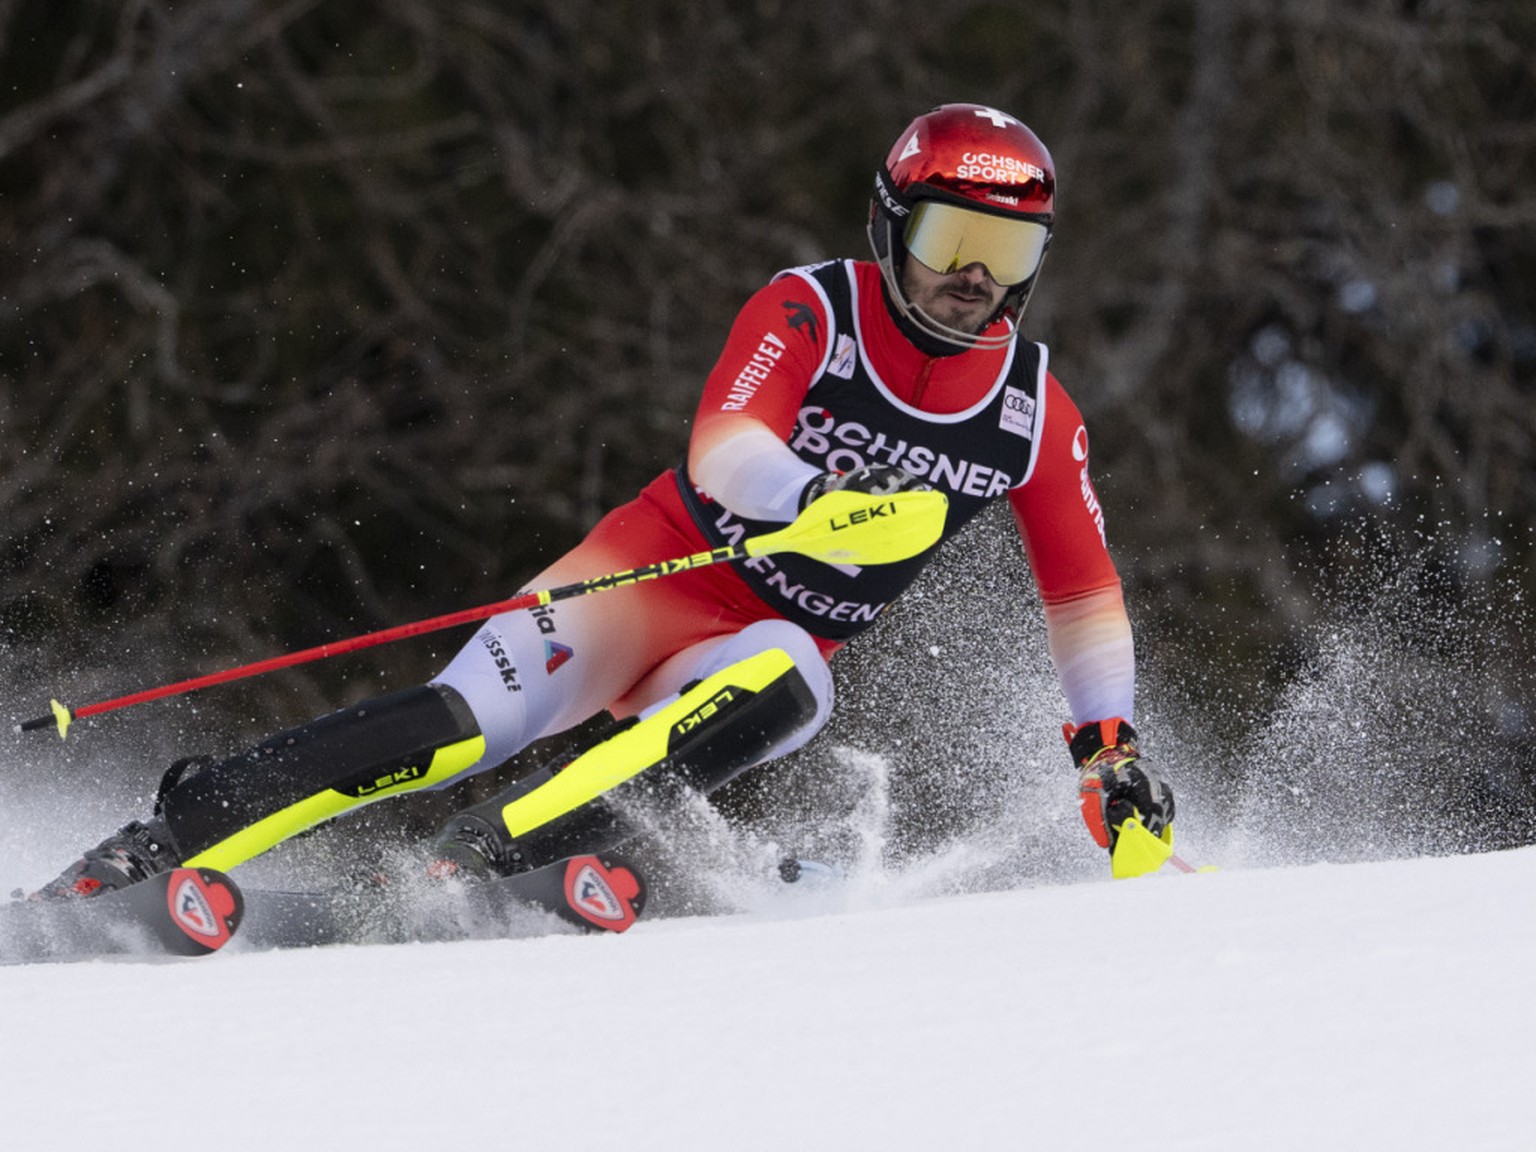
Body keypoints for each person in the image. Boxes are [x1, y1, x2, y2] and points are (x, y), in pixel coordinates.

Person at [35, 103, 1174, 902]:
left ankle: (477, 861)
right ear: (891, 228)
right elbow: (725, 446)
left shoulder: (1035, 411)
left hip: (762, 639)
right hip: (650, 574)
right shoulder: (809, 312)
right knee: (461, 729)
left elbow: (1083, 592)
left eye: (1007, 249)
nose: (975, 275)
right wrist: (814, 495)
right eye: (950, 240)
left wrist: (1107, 754)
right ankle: (178, 832)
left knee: (793, 681)